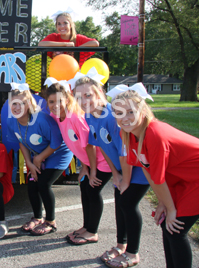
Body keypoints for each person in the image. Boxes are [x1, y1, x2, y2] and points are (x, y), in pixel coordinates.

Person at [111, 88, 199, 268]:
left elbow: (158, 179)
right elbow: (145, 167)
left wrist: (171, 208)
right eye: (120, 113)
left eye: (131, 112)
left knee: (176, 229)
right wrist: (163, 202)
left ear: (143, 111)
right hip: (182, 177)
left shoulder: (155, 134)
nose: (125, 117)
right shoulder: (127, 134)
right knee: (166, 226)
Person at [72, 78, 150, 266]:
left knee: (128, 206)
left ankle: (132, 253)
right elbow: (103, 147)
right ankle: (121, 245)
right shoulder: (89, 115)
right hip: (122, 170)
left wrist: (124, 178)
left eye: (88, 95)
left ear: (100, 91)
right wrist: (115, 174)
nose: (83, 101)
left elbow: (125, 152)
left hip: (138, 169)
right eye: (78, 97)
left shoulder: (111, 116)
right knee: (120, 205)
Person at [43, 77, 111, 245]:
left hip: (102, 160)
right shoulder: (56, 115)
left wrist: (90, 169)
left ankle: (92, 232)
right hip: (90, 161)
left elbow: (90, 146)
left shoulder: (75, 117)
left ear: (67, 99)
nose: (55, 105)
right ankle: (86, 227)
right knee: (85, 189)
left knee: (93, 190)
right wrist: (85, 166)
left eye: (59, 101)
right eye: (51, 102)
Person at [6, 83, 73, 235]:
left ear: (29, 104)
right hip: (39, 156)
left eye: (21, 104)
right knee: (32, 183)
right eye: (13, 104)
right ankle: (37, 218)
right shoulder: (12, 121)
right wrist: (29, 163)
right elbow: (21, 142)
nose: (16, 108)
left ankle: (50, 221)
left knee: (43, 184)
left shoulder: (42, 119)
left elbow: (56, 143)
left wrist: (39, 159)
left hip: (58, 153)